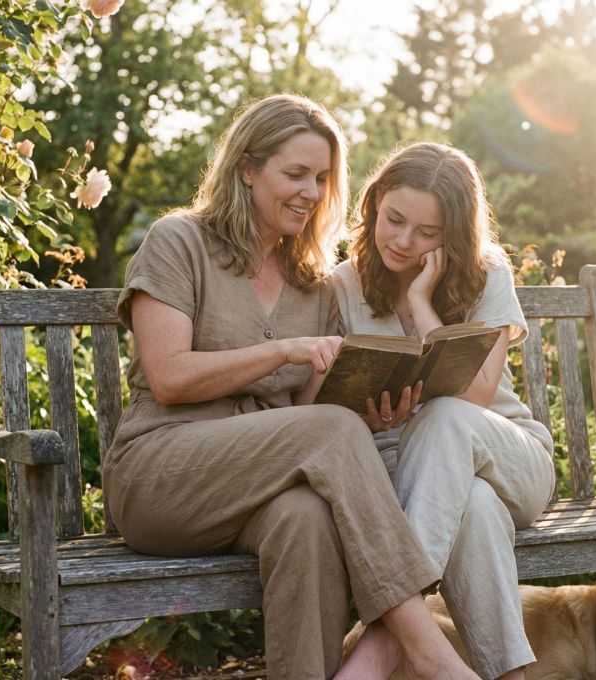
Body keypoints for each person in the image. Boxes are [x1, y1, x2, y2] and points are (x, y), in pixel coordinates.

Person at [102, 95, 480, 680]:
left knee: (306, 517)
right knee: (331, 432)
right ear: (247, 169)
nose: (311, 191)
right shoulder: (180, 241)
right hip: (163, 478)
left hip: (259, 488)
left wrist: (367, 415)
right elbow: (169, 377)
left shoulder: (314, 284)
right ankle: (426, 650)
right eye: (295, 173)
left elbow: (309, 417)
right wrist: (284, 352)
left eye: (323, 178)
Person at [332, 142, 556, 680]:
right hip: (410, 479)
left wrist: (420, 302)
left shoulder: (487, 272)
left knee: (445, 416)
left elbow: (473, 396)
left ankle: (388, 637)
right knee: (472, 507)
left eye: (427, 233)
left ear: (452, 235)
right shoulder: (343, 284)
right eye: (394, 220)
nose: (405, 242)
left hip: (511, 459)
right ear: (374, 205)